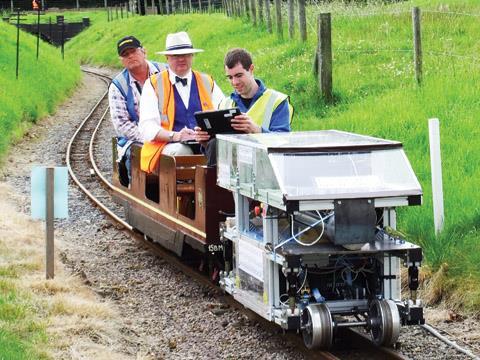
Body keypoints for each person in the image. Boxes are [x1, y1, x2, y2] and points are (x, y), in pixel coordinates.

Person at [138, 31, 224, 173]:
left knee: (224, 149)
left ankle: (218, 192)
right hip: (169, 144)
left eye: (185, 54)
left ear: (192, 56)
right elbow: (147, 128)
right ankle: (185, 193)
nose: (181, 59)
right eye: (175, 56)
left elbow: (223, 110)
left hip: (206, 143)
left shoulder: (207, 81)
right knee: (181, 151)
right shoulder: (153, 84)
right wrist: (176, 136)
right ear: (167, 58)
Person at [195, 48, 293, 166]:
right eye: (230, 77)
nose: (235, 82)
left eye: (239, 75)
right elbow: (215, 154)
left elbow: (283, 144)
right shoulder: (225, 104)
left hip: (264, 169)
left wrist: (257, 130)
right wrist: (205, 142)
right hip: (229, 173)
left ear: (251, 69)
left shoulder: (277, 101)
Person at [109, 35, 167, 186]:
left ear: (144, 51)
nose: (130, 56)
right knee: (135, 155)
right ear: (121, 60)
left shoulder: (165, 72)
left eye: (133, 51)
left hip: (171, 130)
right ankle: (136, 195)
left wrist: (169, 135)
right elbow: (121, 124)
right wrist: (152, 137)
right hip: (139, 138)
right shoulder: (118, 85)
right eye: (125, 55)